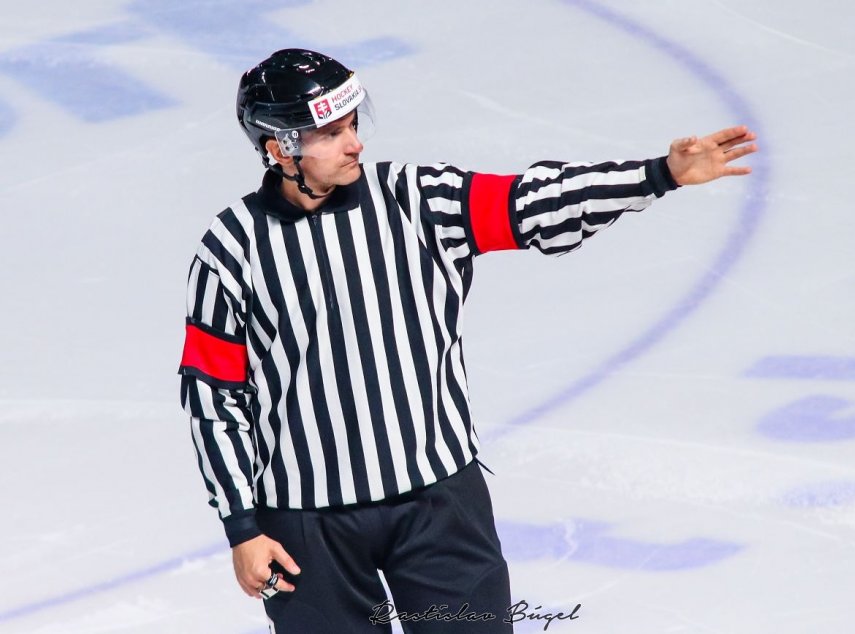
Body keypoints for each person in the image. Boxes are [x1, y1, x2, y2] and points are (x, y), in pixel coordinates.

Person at [177, 48, 757, 633]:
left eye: (353, 125)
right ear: (280, 148)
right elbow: (213, 398)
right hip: (306, 526)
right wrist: (242, 528)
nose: (354, 144)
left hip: (439, 505)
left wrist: (659, 174)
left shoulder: (417, 200)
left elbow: (533, 201)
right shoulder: (231, 248)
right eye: (331, 133)